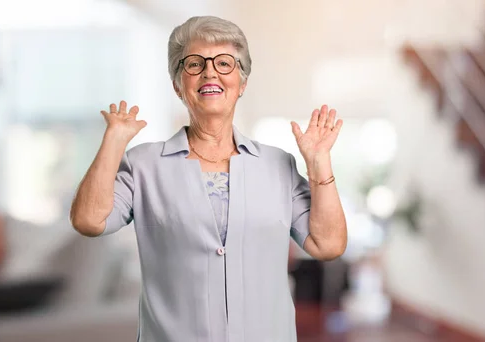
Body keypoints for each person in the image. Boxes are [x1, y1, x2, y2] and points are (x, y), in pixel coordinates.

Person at [70, 15, 348, 342]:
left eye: (225, 63)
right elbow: (88, 220)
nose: (210, 71)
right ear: (178, 85)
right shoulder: (143, 164)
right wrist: (114, 141)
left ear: (242, 84)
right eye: (194, 64)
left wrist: (318, 164)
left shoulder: (278, 164)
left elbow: (327, 244)